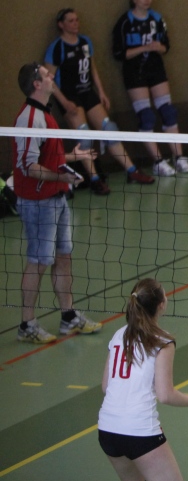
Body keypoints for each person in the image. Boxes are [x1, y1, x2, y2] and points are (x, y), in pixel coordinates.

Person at [98, 278, 188, 481]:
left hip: (107, 430)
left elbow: (106, 386)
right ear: (161, 304)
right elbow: (165, 395)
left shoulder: (119, 335)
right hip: (139, 432)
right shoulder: (163, 341)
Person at [12, 63, 103, 344]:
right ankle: (27, 324)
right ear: (36, 84)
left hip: (57, 197)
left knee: (63, 257)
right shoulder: (29, 118)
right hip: (38, 201)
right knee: (38, 262)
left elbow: (48, 157)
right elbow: (29, 166)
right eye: (46, 75)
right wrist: (61, 176)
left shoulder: (45, 113)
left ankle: (68, 316)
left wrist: (73, 157)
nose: (52, 77)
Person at [45, 8, 154, 190]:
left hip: (87, 92)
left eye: (77, 20)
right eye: (71, 21)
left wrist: (101, 92)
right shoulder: (57, 47)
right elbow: (49, 79)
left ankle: (132, 171)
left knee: (109, 129)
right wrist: (64, 102)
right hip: (69, 96)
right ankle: (95, 180)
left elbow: (92, 68)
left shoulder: (85, 42)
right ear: (61, 25)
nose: (75, 23)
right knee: (84, 135)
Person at [111, 0, 188, 177]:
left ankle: (179, 157)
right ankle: (157, 161)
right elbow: (119, 54)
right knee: (146, 116)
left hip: (155, 70)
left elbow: (166, 46)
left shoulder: (157, 18)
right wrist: (144, 48)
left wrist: (157, 47)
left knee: (168, 112)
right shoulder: (125, 22)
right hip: (135, 72)